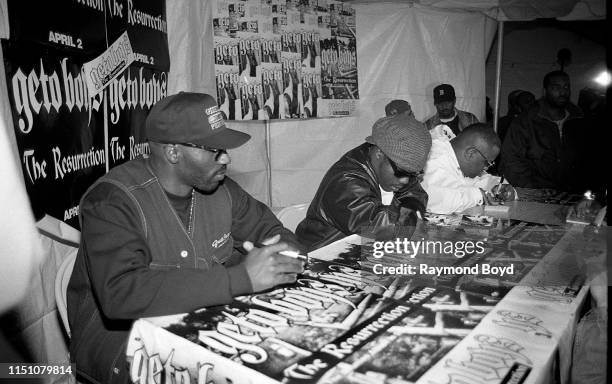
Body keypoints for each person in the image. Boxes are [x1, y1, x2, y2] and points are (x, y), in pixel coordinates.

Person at [67, 92, 304, 384]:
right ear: (173, 152)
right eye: (214, 149)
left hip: (201, 332)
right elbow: (121, 292)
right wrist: (242, 277)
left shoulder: (222, 190)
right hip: (125, 352)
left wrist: (282, 256)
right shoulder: (112, 201)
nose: (226, 158)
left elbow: (275, 233)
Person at [296, 113, 431, 250]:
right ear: (379, 154)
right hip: (318, 258)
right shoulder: (345, 181)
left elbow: (416, 195)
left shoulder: (391, 162)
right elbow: (380, 229)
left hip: (352, 251)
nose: (405, 180)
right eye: (401, 172)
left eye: (413, 174)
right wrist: (410, 215)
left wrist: (410, 211)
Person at [500, 71, 588, 192]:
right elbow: (511, 160)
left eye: (566, 87)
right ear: (545, 91)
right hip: (539, 194)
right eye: (556, 87)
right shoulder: (526, 121)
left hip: (573, 195)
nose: (562, 92)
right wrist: (533, 191)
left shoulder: (579, 119)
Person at [421, 123, 515, 214]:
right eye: (487, 163)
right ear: (470, 153)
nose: (486, 168)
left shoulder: (456, 155)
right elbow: (431, 199)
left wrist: (500, 187)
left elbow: (477, 181)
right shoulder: (433, 159)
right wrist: (478, 196)